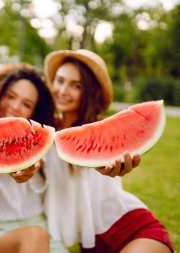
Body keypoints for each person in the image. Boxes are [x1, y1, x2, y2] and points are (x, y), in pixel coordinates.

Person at [43, 49, 174, 253]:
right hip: (91, 244)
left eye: (76, 85)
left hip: (132, 228)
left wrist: (107, 167)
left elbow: (99, 169)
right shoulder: (44, 133)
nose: (63, 90)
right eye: (60, 81)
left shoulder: (102, 130)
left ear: (88, 92)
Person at [0, 63, 69, 253]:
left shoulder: (45, 142)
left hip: (45, 233)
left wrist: (33, 169)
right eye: (10, 96)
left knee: (37, 234)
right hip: (0, 235)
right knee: (34, 235)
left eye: (26, 104)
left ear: (34, 113)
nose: (15, 107)